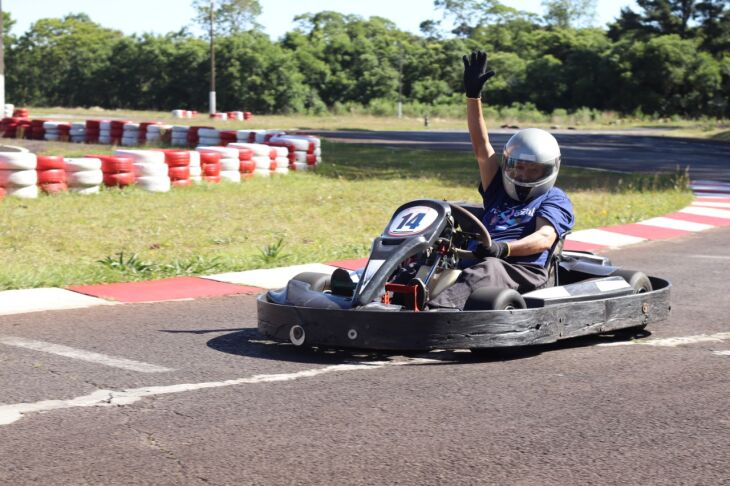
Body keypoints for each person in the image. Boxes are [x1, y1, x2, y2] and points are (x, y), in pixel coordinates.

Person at [427, 50, 575, 310]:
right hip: (479, 258)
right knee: (424, 255)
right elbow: (482, 147)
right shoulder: (498, 189)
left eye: (532, 170)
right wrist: (473, 97)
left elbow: (543, 238)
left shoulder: (554, 198)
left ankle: (435, 313)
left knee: (488, 269)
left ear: (549, 170)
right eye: (518, 167)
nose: (523, 175)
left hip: (522, 268)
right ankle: (376, 296)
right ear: (508, 164)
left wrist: (502, 249)